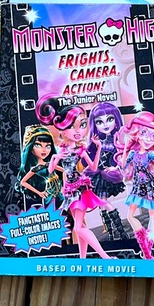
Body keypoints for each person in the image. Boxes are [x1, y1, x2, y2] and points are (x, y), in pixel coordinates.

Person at [37, 96, 113, 259]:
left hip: (80, 189)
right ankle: (83, 259)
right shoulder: (61, 150)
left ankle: (105, 257)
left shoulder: (80, 150)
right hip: (69, 191)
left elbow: (93, 167)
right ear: (63, 129)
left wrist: (99, 147)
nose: (77, 131)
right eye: (72, 126)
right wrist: (55, 158)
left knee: (78, 227)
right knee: (80, 226)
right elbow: (50, 170)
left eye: (81, 125)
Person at [115, 111, 154, 259]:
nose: (149, 139)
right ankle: (145, 247)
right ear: (136, 133)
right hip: (138, 186)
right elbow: (123, 166)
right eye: (144, 132)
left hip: (149, 186)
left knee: (151, 216)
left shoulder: (150, 155)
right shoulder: (133, 154)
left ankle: (147, 251)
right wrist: (126, 146)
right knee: (130, 216)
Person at [86, 103, 128, 240]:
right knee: (101, 203)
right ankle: (111, 232)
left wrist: (115, 166)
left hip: (107, 175)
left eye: (109, 119)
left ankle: (121, 231)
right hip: (97, 174)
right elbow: (92, 157)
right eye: (99, 122)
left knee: (102, 201)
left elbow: (123, 157)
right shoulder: (98, 140)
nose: (105, 125)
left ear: (116, 120)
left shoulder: (118, 139)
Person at [15, 125, 63, 207]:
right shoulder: (37, 168)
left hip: (59, 195)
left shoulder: (48, 164)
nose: (44, 150)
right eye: (38, 145)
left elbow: (64, 171)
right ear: (30, 147)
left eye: (48, 146)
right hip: (48, 197)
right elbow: (23, 182)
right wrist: (39, 193)